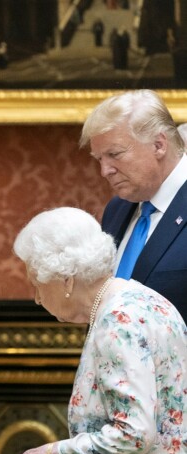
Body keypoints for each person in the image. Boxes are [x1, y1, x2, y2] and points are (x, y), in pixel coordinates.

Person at [11, 207, 187, 454]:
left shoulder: (116, 323)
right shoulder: (149, 302)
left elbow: (133, 433)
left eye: (37, 284)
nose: (37, 299)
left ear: (66, 279)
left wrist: (51, 453)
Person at [80, 89, 187, 322]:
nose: (104, 171)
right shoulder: (116, 210)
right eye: (99, 159)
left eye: (114, 154)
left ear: (159, 145)